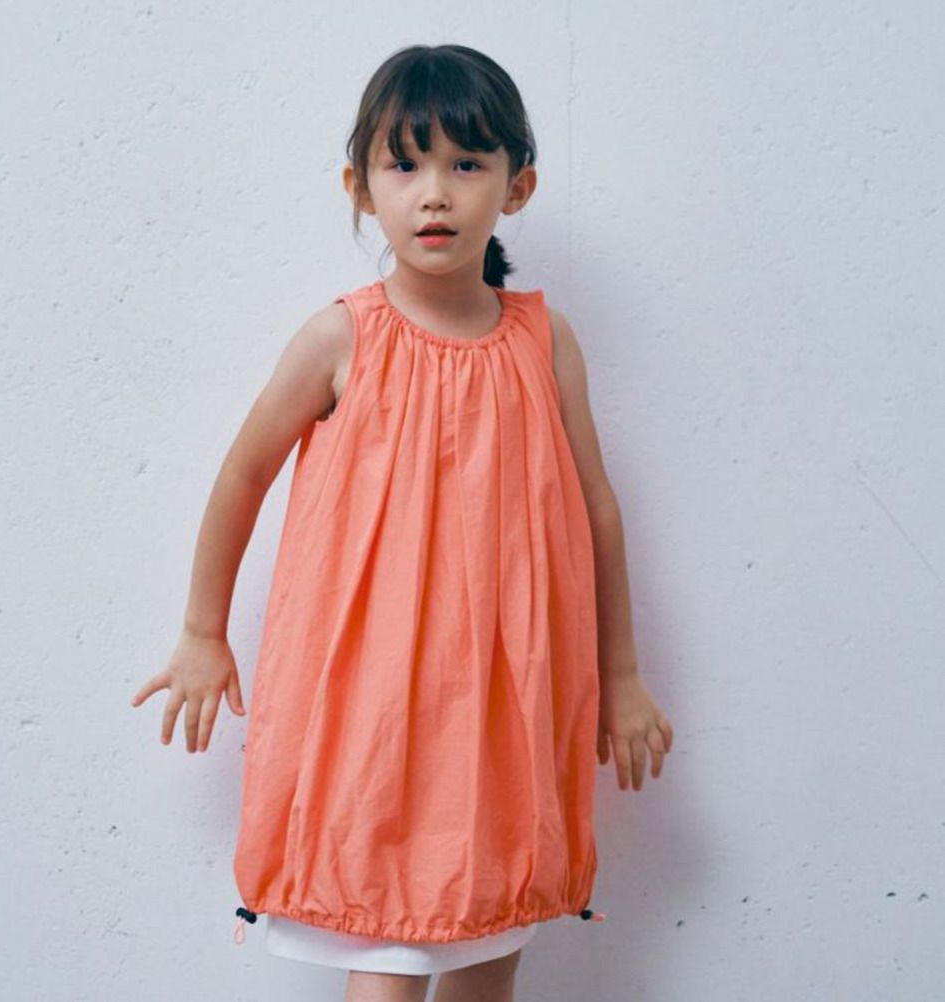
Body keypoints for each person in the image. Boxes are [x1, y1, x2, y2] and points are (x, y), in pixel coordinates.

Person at [131, 43, 673, 1002]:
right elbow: (243, 474)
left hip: (507, 704)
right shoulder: (341, 337)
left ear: (517, 185)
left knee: (488, 943)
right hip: (378, 707)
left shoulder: (545, 342)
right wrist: (203, 632)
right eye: (405, 164)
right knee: (387, 946)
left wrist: (622, 676)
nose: (435, 194)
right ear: (360, 186)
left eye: (466, 164)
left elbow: (596, 508)